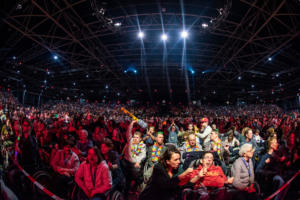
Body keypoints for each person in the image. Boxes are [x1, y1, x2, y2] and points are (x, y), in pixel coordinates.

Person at [122, 120, 146, 195]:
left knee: (139, 179)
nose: (135, 139)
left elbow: (143, 155)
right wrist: (132, 123)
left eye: (137, 138)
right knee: (127, 181)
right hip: (126, 164)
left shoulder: (142, 145)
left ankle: (134, 188)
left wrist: (138, 162)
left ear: (140, 139)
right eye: (134, 137)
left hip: (135, 165)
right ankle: (126, 194)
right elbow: (128, 132)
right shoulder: (130, 141)